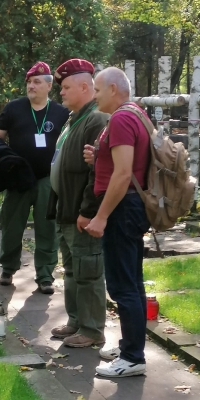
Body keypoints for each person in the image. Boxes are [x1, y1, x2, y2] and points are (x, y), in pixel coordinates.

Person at [84, 67, 150, 377]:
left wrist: (101, 216)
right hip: (131, 207)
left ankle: (133, 358)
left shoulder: (122, 119)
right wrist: (98, 157)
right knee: (132, 282)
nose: (94, 96)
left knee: (123, 286)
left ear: (113, 89)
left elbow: (123, 174)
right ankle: (130, 346)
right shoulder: (136, 113)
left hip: (122, 209)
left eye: (97, 90)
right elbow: (125, 164)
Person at [0, 62, 69, 294]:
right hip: (18, 178)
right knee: (12, 226)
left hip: (48, 179)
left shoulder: (61, 112)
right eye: (29, 82)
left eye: (36, 82)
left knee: (47, 228)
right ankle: (8, 268)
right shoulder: (13, 108)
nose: (31, 86)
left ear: (49, 85)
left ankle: (45, 275)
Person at [47, 59, 109, 348]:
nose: (61, 92)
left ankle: (92, 329)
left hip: (82, 214)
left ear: (85, 87)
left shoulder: (96, 120)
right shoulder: (74, 119)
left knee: (88, 271)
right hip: (67, 210)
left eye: (66, 87)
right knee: (72, 271)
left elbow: (97, 172)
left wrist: (87, 211)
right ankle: (76, 321)